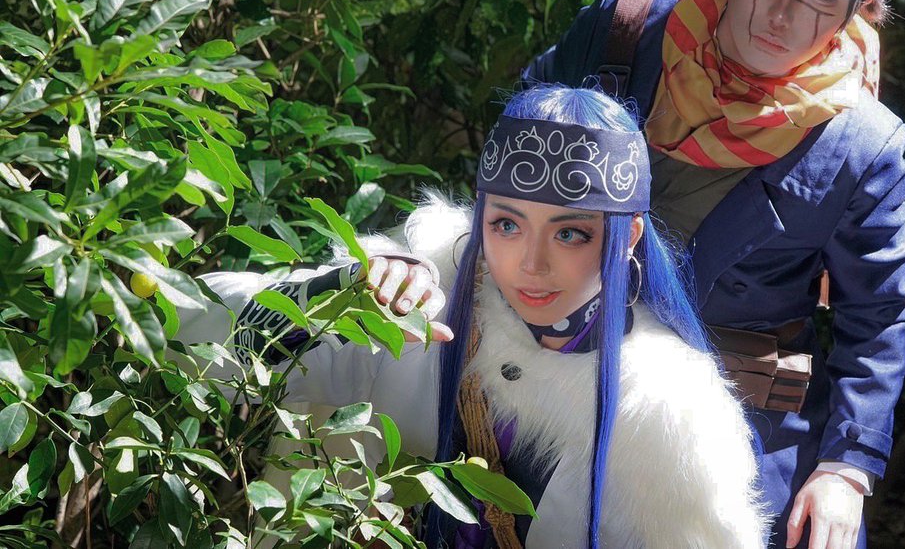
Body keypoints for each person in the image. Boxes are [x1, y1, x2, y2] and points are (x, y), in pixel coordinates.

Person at [517, 0, 905, 549]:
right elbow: (507, 173)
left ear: (860, 7)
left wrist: (846, 469)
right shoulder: (624, 31)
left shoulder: (862, 145)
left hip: (735, 436)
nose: (782, 18)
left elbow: (879, 313)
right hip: (547, 392)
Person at [174, 85, 767, 548]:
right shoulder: (416, 304)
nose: (530, 263)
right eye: (506, 224)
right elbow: (188, 327)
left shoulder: (668, 410)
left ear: (627, 237)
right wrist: (341, 292)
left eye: (570, 232)